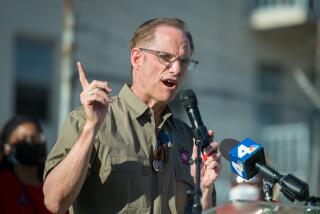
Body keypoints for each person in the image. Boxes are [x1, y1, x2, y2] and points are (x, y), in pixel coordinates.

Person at [43, 17, 222, 214]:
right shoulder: (90, 120)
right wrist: (91, 129)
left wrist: (204, 190)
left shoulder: (188, 138)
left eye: (183, 61)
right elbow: (54, 202)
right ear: (137, 58)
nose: (177, 69)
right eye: (165, 57)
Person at [0, 115, 50, 214]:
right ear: (7, 148)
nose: (30, 142)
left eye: (36, 138)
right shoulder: (3, 184)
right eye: (23, 139)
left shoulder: (54, 183)